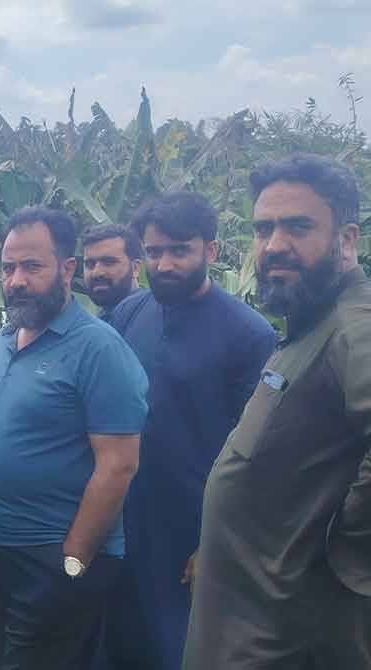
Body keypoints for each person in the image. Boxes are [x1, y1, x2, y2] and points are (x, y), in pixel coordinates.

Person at [184, 154, 371, 669]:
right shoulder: (312, 320)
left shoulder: (355, 326)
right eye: (263, 229)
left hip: (286, 639)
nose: (274, 245)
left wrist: (346, 553)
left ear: (347, 239)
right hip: (248, 626)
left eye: (299, 227)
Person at [97, 193, 276, 670]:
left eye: (179, 250)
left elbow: (256, 454)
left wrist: (213, 543)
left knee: (177, 649)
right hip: (122, 515)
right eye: (154, 253)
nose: (165, 263)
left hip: (190, 529)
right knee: (116, 642)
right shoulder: (132, 312)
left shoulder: (250, 335)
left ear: (211, 252)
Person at [0, 206, 149, 669]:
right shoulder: (7, 336)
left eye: (32, 266)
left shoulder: (99, 349)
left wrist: (75, 556)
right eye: (8, 268)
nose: (16, 280)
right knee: (4, 656)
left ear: (67, 269)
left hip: (52, 553)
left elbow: (119, 463)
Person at [81, 223, 146, 321]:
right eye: (90, 264)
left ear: (135, 268)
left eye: (109, 262)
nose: (97, 273)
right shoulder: (93, 323)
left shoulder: (153, 316)